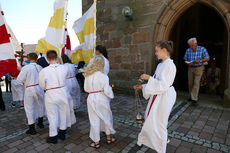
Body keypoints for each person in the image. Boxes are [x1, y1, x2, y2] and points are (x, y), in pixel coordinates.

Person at [133, 41, 176, 153]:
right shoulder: (161, 64)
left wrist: (148, 78)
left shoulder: (170, 65)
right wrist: (142, 86)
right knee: (150, 117)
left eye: (157, 51)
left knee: (160, 123)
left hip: (164, 96)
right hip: (158, 95)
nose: (155, 53)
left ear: (164, 50)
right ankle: (147, 139)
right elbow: (157, 82)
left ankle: (161, 148)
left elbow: (163, 85)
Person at [39, 50, 76, 144]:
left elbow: (42, 85)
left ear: (47, 59)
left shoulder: (44, 71)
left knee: (52, 115)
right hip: (63, 92)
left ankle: (54, 136)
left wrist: (48, 87)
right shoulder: (64, 68)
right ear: (56, 58)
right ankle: (62, 132)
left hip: (51, 93)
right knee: (63, 113)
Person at [82, 55, 115, 149]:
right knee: (106, 117)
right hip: (102, 98)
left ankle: (96, 142)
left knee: (94, 120)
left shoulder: (87, 75)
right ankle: (109, 138)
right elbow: (107, 91)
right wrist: (111, 95)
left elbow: (85, 89)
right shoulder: (104, 76)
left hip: (91, 97)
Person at [17, 53, 46, 135]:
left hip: (30, 88)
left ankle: (32, 128)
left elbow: (19, 80)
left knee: (29, 107)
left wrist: (20, 71)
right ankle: (41, 123)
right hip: (39, 88)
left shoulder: (26, 68)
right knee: (41, 105)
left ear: (29, 59)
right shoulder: (40, 67)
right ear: (37, 59)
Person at [184, 37, 210, 105]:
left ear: (196, 43)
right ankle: (191, 96)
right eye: (190, 45)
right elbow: (185, 59)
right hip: (190, 68)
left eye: (192, 45)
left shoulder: (202, 49)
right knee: (190, 83)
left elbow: (207, 58)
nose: (191, 47)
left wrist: (200, 60)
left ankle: (194, 99)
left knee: (196, 83)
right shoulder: (188, 50)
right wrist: (187, 62)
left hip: (199, 67)